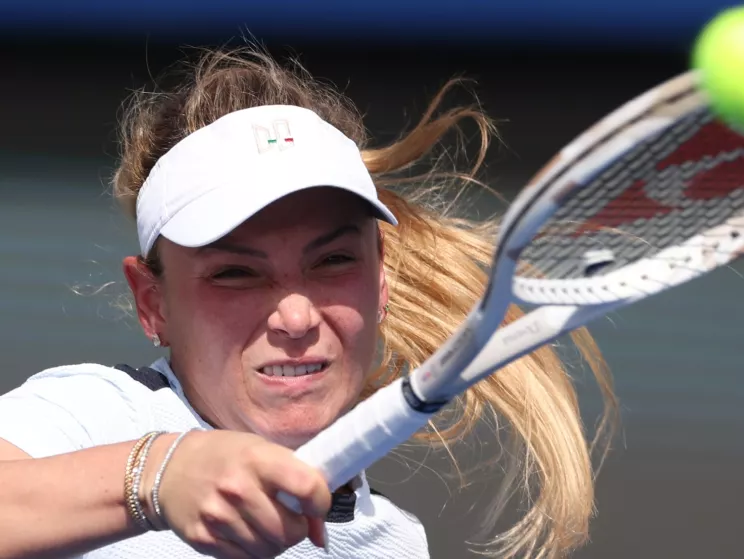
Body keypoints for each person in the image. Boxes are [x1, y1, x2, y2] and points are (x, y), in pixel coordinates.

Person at [0, 43, 617, 559]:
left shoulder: (397, 545)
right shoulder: (91, 414)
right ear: (153, 302)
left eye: (333, 262)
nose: (296, 318)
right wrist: (158, 475)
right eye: (236, 273)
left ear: (382, 280)